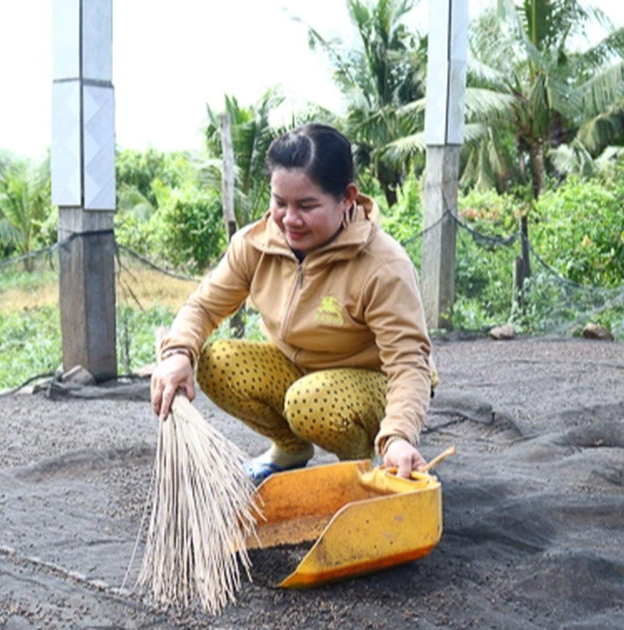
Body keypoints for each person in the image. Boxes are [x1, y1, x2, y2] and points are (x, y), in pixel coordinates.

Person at [150, 123, 435, 483]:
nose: (289, 219)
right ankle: (290, 449)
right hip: (298, 372)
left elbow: (409, 363)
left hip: (372, 383)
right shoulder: (254, 245)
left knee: (310, 401)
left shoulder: (383, 266)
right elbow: (203, 307)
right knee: (214, 361)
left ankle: (370, 464)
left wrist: (397, 435)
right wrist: (178, 353)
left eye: (306, 205)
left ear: (347, 197)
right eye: (279, 202)